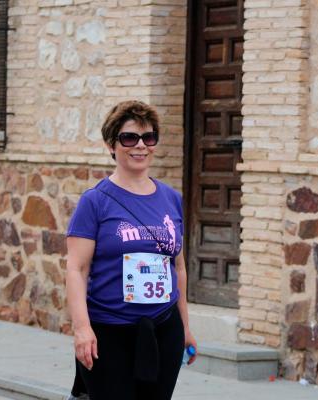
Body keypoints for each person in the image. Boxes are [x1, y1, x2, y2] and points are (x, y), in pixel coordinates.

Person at [66, 100, 197, 400]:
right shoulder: (95, 201)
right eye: (129, 138)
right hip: (109, 333)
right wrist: (82, 328)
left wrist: (185, 328)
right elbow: (77, 269)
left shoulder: (171, 198)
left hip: (164, 329)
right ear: (112, 144)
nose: (140, 146)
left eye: (148, 137)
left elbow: (178, 267)